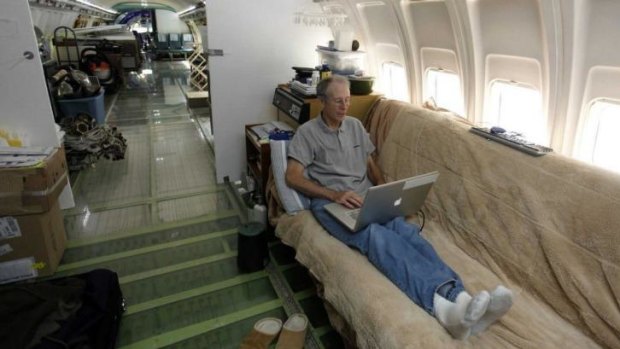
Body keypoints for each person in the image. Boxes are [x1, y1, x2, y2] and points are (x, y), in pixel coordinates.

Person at [285, 75, 513, 340]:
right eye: (338, 101)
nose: (344, 106)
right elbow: (293, 176)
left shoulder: (356, 126)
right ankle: (443, 310)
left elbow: (370, 163)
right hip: (331, 203)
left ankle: (460, 299)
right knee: (376, 237)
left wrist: (384, 190)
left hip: (366, 196)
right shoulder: (307, 133)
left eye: (347, 100)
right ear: (322, 101)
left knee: (406, 233)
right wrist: (333, 194)